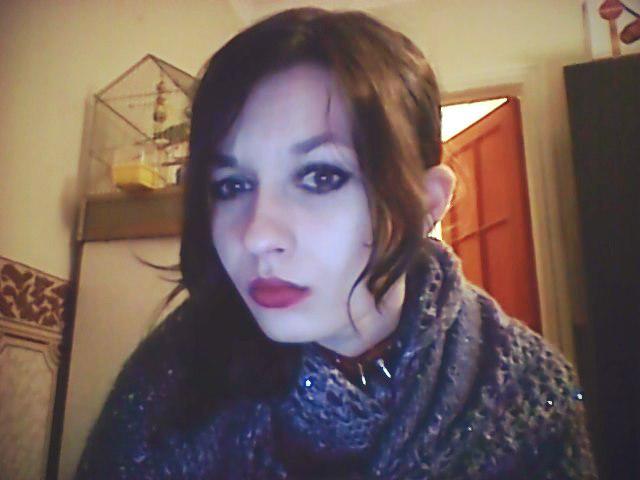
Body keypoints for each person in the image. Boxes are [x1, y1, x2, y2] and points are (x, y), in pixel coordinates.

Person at [76, 8, 597, 479]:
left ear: (426, 203)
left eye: (321, 177)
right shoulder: (174, 371)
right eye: (231, 186)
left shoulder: (525, 399)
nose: (257, 235)